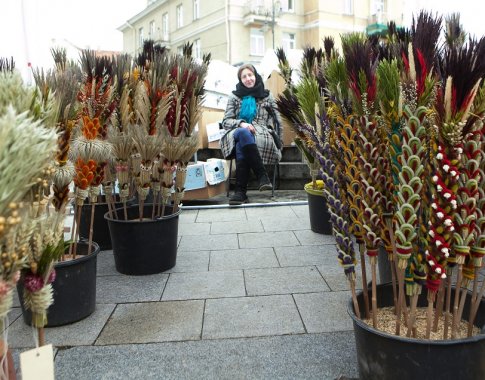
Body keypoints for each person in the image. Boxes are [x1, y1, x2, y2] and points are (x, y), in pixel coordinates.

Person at [220, 64, 283, 205]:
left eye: (250, 75)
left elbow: (278, 121)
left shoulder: (267, 96)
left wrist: (280, 142)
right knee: (243, 132)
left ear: (256, 76)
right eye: (244, 76)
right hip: (236, 131)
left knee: (242, 142)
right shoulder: (234, 96)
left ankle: (240, 192)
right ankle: (262, 175)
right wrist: (242, 123)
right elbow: (226, 121)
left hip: (262, 134)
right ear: (240, 80)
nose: (248, 79)